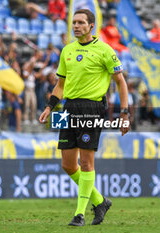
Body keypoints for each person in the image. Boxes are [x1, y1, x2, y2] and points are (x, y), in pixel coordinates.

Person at [39, 9, 130, 226]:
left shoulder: (105, 50)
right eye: (74, 22)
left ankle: (79, 214)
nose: (76, 26)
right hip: (68, 108)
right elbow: (60, 85)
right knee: (68, 165)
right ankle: (100, 201)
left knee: (87, 163)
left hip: (92, 108)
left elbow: (121, 82)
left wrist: (125, 113)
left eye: (81, 22)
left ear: (91, 26)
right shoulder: (67, 50)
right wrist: (50, 107)